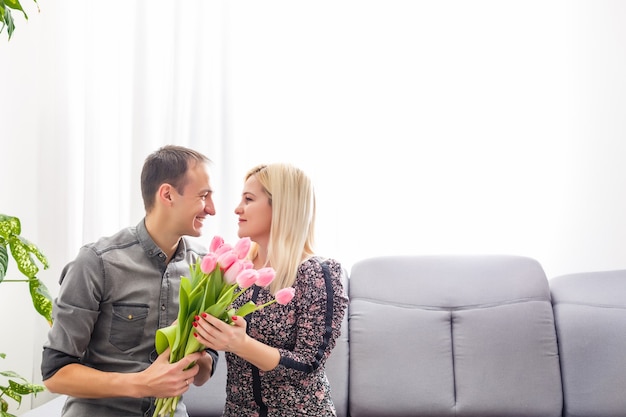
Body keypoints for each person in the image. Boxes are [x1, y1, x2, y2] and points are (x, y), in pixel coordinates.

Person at [41, 145, 219, 417]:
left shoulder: (204, 267)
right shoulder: (97, 262)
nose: (212, 209)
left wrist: (201, 344)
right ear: (168, 194)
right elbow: (55, 374)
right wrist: (143, 383)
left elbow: (203, 375)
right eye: (203, 196)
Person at [193, 163, 349, 416]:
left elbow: (309, 363)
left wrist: (240, 343)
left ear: (281, 207)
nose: (237, 208)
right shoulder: (234, 270)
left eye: (249, 199)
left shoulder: (318, 272)